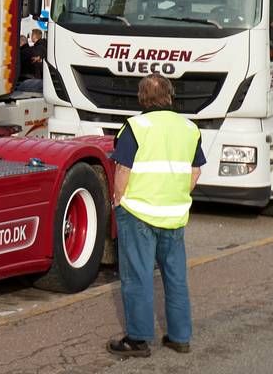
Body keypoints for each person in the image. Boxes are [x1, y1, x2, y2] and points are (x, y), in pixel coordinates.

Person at [107, 73, 204, 359]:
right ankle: (180, 336)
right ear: (170, 96)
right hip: (174, 214)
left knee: (138, 275)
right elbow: (195, 171)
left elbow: (122, 169)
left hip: (139, 211)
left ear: (141, 98)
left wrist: (118, 201)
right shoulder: (189, 128)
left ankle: (137, 339)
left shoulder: (135, 127)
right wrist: (175, 193)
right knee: (175, 277)